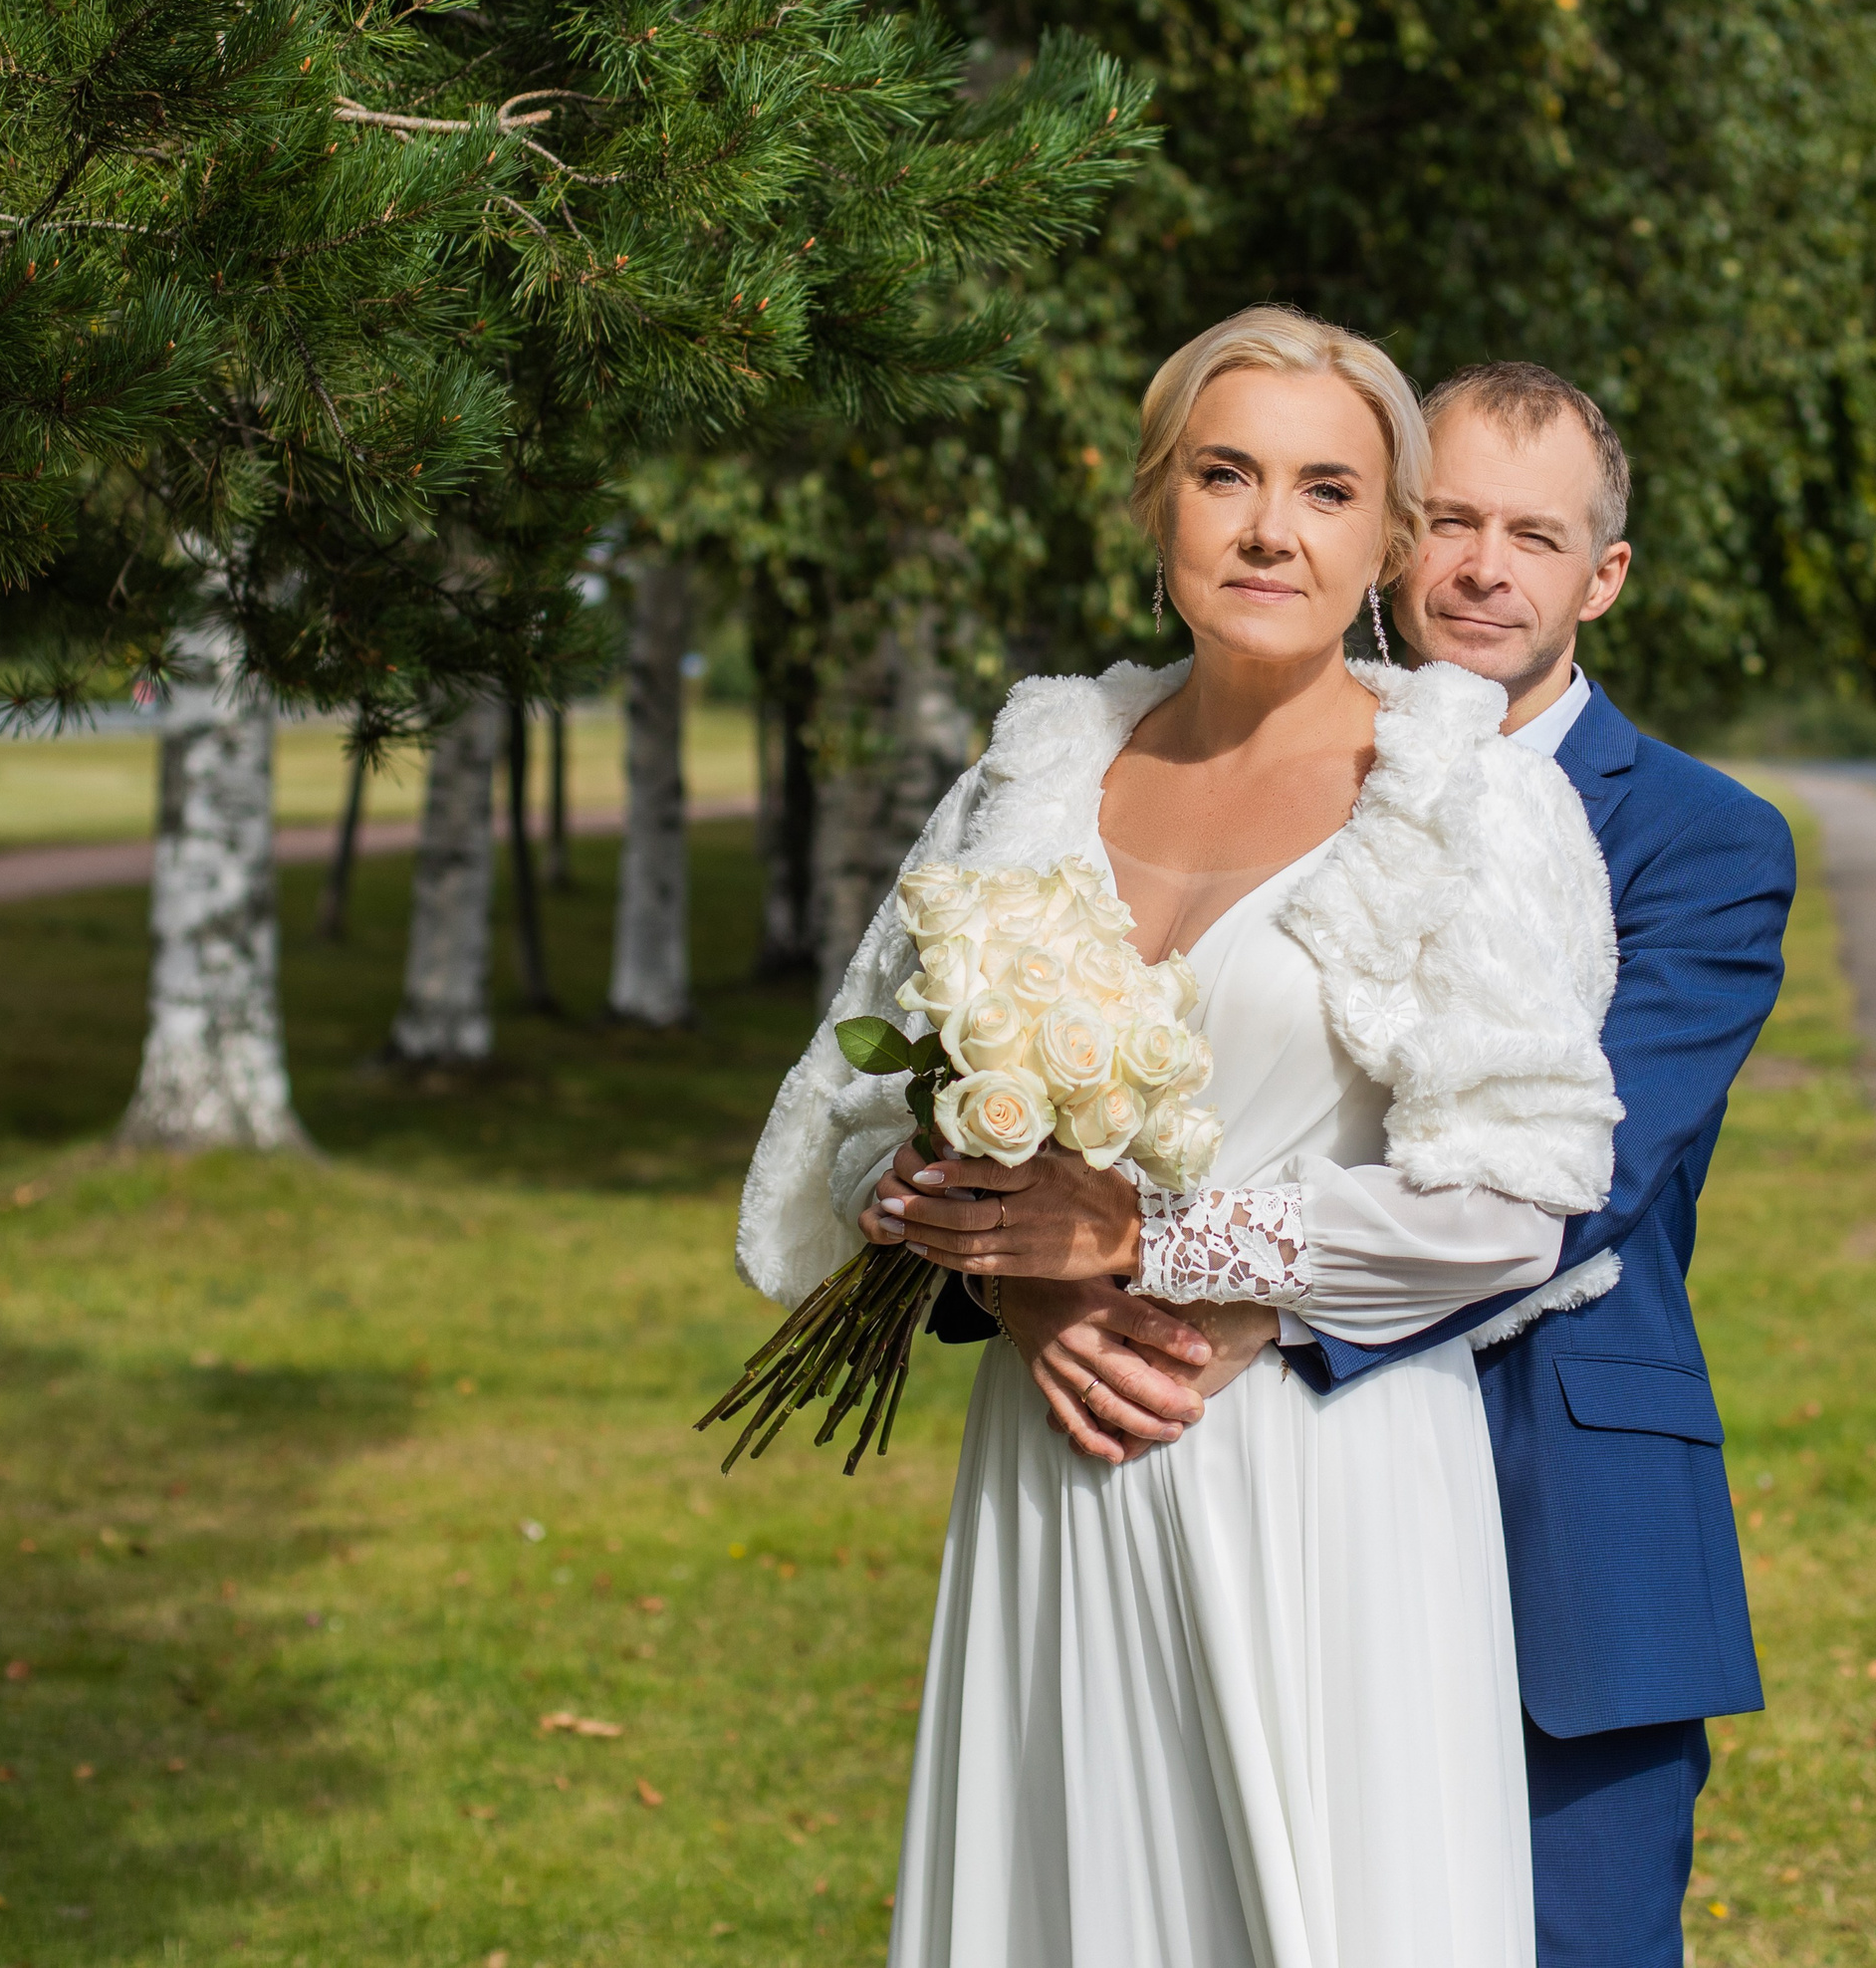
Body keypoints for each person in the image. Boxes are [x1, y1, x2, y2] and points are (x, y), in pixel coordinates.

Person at [737, 307, 1625, 1967]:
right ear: (1159, 504)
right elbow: (861, 1124)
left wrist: (1150, 1240)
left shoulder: (1472, 797)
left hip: (1330, 1481)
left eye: (1326, 488)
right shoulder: (1035, 774)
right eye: (1225, 474)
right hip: (1059, 1454)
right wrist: (1015, 1282)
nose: (1269, 526)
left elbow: (1517, 1205)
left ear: (1385, 537)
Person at [920, 362, 1790, 1968]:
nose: (1480, 565)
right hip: (1206, 1471)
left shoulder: (1702, 838)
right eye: (1448, 517)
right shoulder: (1218, 770)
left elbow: (1583, 1171)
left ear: (1601, 577)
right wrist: (1038, 1287)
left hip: (1561, 1509)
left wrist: (1201, 1280)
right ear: (1394, 539)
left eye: (1534, 535)